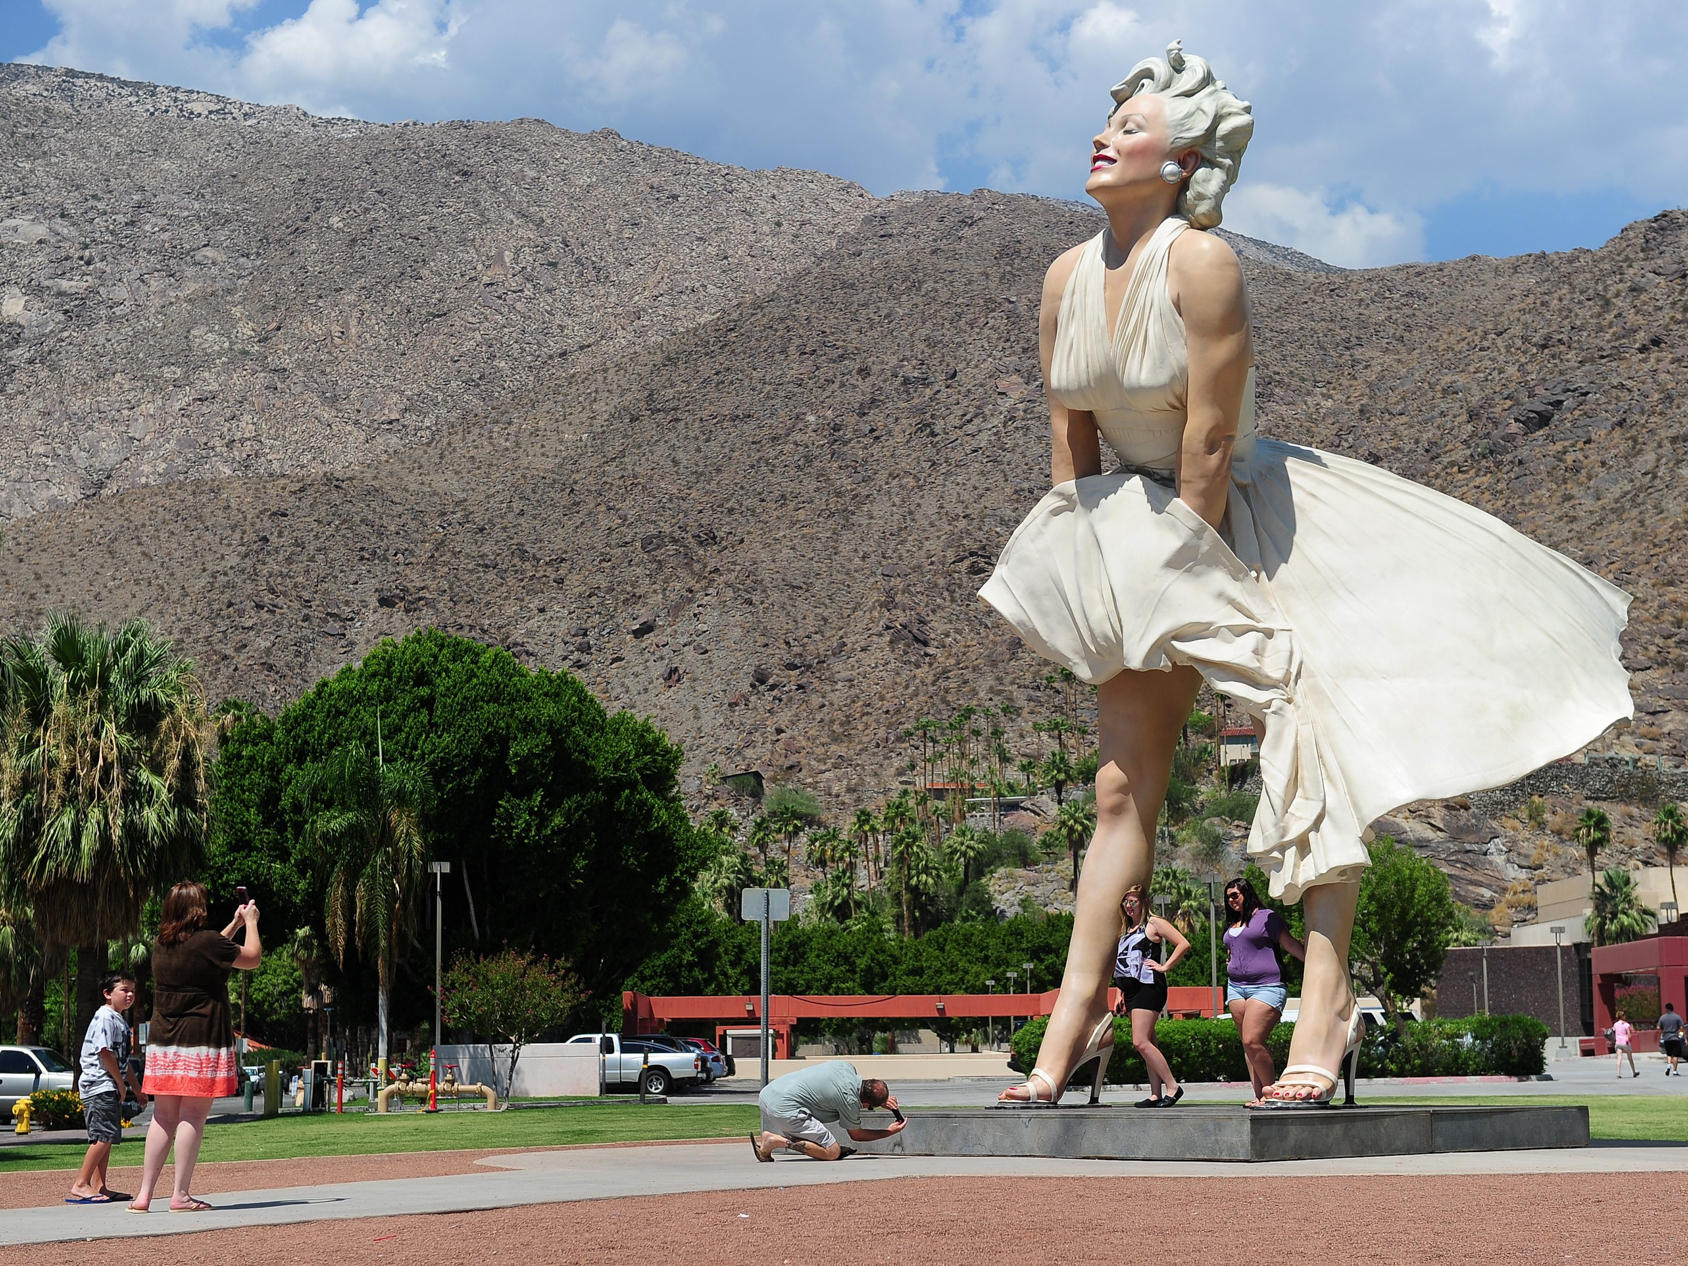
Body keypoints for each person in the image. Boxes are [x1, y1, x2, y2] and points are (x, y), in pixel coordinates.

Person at [984, 40, 1630, 1110]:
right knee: (1117, 790)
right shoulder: (1063, 277)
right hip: (1125, 527)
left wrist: (1184, 575)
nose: (1101, 138)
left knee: (1310, 742)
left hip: (1234, 521)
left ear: (1181, 160)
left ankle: (1324, 1006)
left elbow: (1205, 439)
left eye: (1130, 127)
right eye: (1105, 124)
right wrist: (1090, 581)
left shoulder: (1202, 265)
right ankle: (1074, 1017)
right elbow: (1071, 451)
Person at [128, 882, 261, 1214]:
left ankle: (143, 1195)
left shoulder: (161, 945)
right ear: (197, 909)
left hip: (164, 1042)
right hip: (200, 1040)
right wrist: (251, 923)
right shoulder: (208, 942)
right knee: (192, 1116)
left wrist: (234, 924)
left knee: (162, 1117)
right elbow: (252, 958)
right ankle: (180, 1195)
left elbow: (209, 952)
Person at [66, 971, 148, 1204]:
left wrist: (137, 1088)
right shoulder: (104, 1017)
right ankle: (81, 1184)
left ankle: (99, 1186)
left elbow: (122, 1060)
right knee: (103, 1136)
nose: (130, 995)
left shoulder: (118, 1020)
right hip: (99, 1085)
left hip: (107, 1085)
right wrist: (121, 1085)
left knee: (107, 1136)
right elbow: (105, 1052)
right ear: (107, 994)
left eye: (132, 991)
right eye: (124, 990)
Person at [1222, 877, 1305, 1103]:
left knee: (1252, 1040)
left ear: (1246, 893)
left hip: (1267, 987)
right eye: (1228, 897)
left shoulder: (1267, 917)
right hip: (1236, 988)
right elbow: (1236, 948)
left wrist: (1315, 963)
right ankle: (1259, 1097)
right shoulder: (1232, 922)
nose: (1231, 900)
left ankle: (1271, 1093)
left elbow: (1289, 943)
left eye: (1235, 895)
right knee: (1247, 1046)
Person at [1112, 885, 1191, 1107]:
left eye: (1133, 901)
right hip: (1130, 990)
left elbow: (1183, 943)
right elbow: (1123, 964)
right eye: (1126, 901)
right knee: (1149, 1041)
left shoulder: (1154, 923)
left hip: (1148, 986)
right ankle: (1155, 1093)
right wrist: (1118, 993)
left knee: (1140, 1041)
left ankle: (1173, 1087)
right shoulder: (1127, 929)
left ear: (1143, 902)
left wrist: (1165, 966)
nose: (1129, 906)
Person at [749, 1061, 905, 1161]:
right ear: (865, 1103)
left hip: (767, 1094)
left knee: (816, 1139)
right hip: (784, 1110)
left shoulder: (846, 1067)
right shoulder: (849, 1100)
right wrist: (889, 1131)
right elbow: (857, 1135)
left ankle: (772, 1146)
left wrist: (878, 1102)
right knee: (832, 1151)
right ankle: (774, 1141)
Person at [1659, 1003, 1684, 1076]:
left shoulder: (1662, 1017)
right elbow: (1681, 1028)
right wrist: (1681, 1036)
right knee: (1675, 1055)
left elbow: (1658, 1027)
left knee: (1669, 1054)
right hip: (1675, 1038)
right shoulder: (1677, 1017)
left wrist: (1663, 1032)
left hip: (1666, 1038)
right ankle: (1675, 1071)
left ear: (1666, 1009)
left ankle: (1669, 1065)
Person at [1612, 1012, 1638, 1079]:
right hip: (1625, 1043)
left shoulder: (1615, 1024)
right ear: (1622, 1016)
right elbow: (1629, 1034)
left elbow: (1613, 1031)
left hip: (1618, 1043)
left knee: (1619, 1058)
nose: (1625, 1016)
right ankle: (1634, 1072)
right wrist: (1629, 1040)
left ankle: (1618, 1073)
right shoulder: (1626, 1024)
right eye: (1624, 1015)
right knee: (1630, 1058)